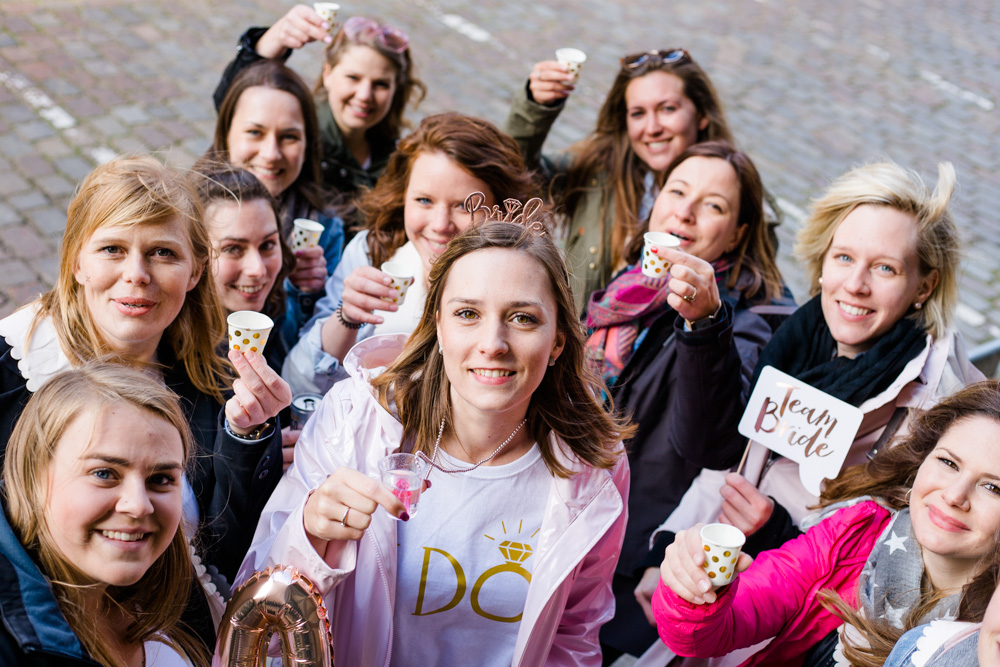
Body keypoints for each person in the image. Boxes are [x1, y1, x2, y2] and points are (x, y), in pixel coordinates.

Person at [240, 210, 634, 666]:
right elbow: (260, 605)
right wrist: (309, 534)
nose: (493, 342)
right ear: (439, 327)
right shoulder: (356, 421)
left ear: (558, 342)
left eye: (523, 318)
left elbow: (575, 634)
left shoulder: (592, 468)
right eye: (467, 313)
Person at [648, 160, 983, 565]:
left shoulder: (937, 411)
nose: (856, 286)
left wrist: (776, 534)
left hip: (783, 613)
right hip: (710, 575)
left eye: (884, 268)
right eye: (843, 257)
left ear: (924, 286)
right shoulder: (797, 338)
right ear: (822, 262)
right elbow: (733, 459)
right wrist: (671, 545)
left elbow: (895, 568)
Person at [0, 156, 290, 583]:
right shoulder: (13, 373)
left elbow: (226, 558)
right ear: (77, 261)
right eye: (113, 249)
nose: (136, 274)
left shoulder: (217, 378)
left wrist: (247, 438)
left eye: (162, 253)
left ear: (195, 271)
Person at [589, 142, 790, 661]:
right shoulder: (627, 284)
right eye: (676, 191)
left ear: (739, 233)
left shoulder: (755, 323)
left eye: (714, 205)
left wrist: (703, 326)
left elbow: (711, 444)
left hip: (628, 560)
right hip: (560, 514)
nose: (685, 210)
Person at [653, 380, 1000, 666]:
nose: (955, 495)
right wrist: (691, 594)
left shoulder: (990, 635)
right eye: (948, 463)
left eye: (993, 487)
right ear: (922, 459)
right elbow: (706, 635)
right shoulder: (855, 532)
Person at [282, 112, 538, 396]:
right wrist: (347, 317)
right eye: (424, 200)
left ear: (501, 209)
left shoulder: (522, 281)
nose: (440, 225)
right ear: (402, 196)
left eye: (464, 206)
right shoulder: (374, 252)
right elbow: (299, 385)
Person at [0, 363, 215, 666]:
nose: (139, 505)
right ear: (33, 477)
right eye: (104, 473)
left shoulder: (170, 595)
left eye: (161, 478)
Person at [505, 47, 733, 311]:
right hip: (585, 344)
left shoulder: (733, 194)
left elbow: (760, 283)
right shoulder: (596, 170)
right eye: (638, 113)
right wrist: (536, 106)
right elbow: (515, 170)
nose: (652, 128)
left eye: (667, 109)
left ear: (702, 115)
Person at [213, 6, 425, 202]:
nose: (364, 95)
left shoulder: (395, 154)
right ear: (328, 73)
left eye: (380, 84)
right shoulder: (299, 129)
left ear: (396, 89)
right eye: (353, 77)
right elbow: (233, 102)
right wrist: (268, 44)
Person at [209, 60, 346, 328]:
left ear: (308, 144)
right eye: (254, 132)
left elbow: (305, 356)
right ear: (226, 134)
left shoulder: (325, 231)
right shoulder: (187, 212)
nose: (271, 154)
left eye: (289, 137)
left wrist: (305, 295)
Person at [194, 163, 295, 369]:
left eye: (267, 245)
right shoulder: (167, 351)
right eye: (233, 249)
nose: (257, 269)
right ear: (195, 254)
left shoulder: (284, 309)